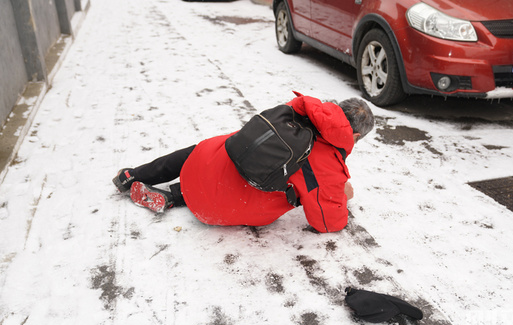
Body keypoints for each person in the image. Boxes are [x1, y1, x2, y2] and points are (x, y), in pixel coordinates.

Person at [113, 92, 374, 233]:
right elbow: (328, 222)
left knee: (211, 148)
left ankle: (134, 174)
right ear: (356, 136)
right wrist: (341, 194)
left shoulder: (297, 109)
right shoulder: (327, 163)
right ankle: (173, 196)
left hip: (204, 161)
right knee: (252, 188)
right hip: (217, 206)